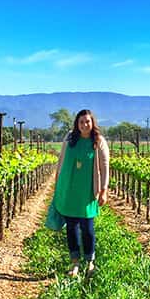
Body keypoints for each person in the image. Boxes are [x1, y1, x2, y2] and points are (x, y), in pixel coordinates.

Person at [53, 109, 110, 276]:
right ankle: (75, 263)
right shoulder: (70, 138)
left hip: (88, 192)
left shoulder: (98, 141)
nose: (84, 125)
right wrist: (57, 183)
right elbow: (61, 160)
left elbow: (105, 167)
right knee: (71, 227)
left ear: (92, 123)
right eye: (81, 122)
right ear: (77, 124)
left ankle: (90, 262)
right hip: (68, 188)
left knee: (88, 228)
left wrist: (103, 190)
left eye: (87, 122)